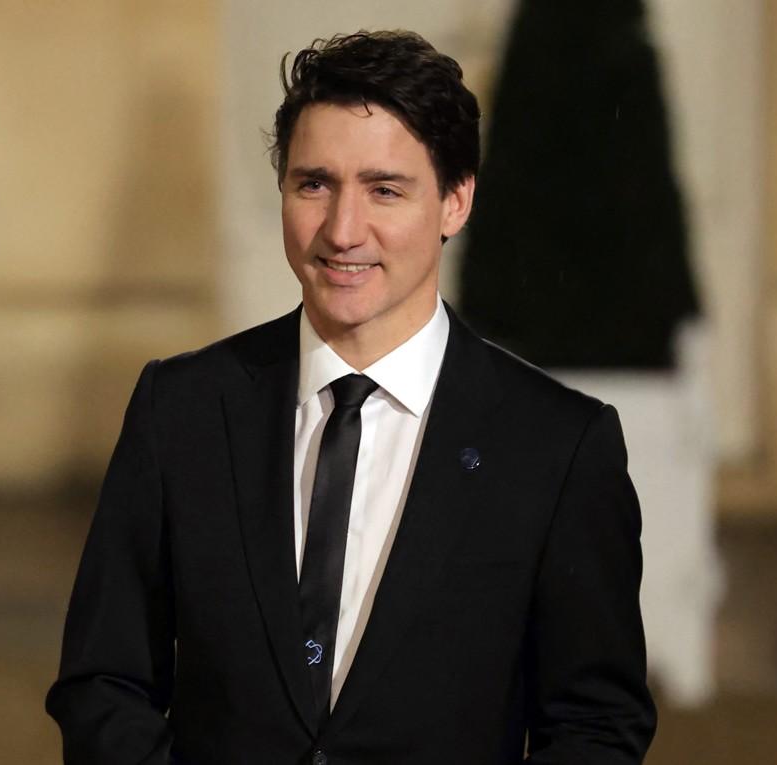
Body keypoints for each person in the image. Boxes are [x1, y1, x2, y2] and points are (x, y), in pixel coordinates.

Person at [46, 30, 656, 764]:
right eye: (315, 184)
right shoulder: (180, 411)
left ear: (456, 201)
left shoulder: (558, 448)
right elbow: (102, 682)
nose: (342, 230)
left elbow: (595, 727)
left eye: (384, 189)